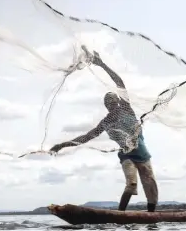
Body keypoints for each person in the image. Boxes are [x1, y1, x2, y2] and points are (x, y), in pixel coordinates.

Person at [49, 50, 158, 212]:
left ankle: (151, 217)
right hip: (126, 156)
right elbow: (86, 137)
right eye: (108, 101)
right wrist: (62, 145)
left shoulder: (127, 110)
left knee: (150, 184)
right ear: (106, 105)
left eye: (113, 100)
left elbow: (119, 83)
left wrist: (102, 64)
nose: (111, 103)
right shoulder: (106, 122)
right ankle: (121, 214)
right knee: (131, 185)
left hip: (142, 155)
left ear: (118, 101)